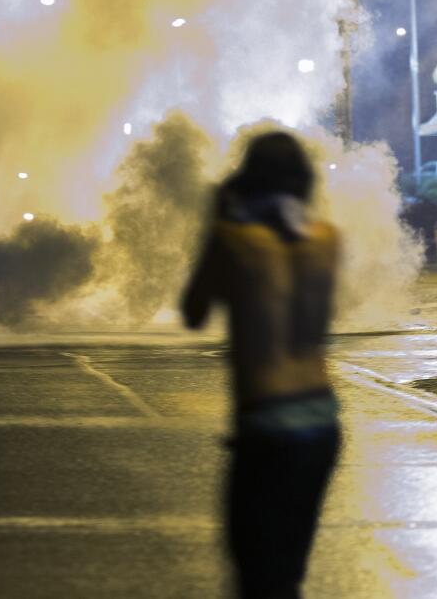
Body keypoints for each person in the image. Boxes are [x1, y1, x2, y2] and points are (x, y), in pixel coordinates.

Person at [181, 132, 341, 599]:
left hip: (267, 419)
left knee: (255, 574)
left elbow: (194, 311)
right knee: (286, 574)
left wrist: (217, 220)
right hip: (323, 417)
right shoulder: (327, 239)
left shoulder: (234, 239)